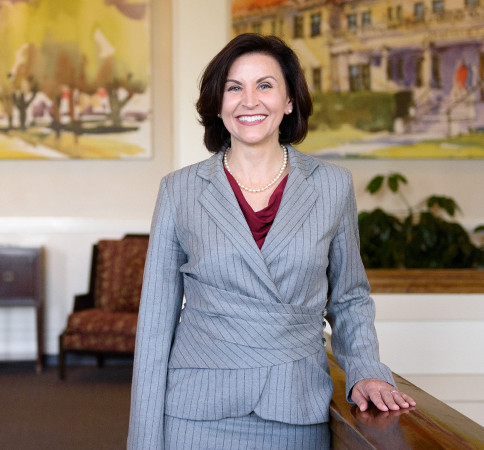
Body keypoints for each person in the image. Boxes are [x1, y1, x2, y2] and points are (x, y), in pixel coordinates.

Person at [127, 33, 415, 450]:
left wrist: (366, 369)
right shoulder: (180, 190)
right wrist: (144, 440)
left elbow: (350, 298)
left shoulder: (333, 186)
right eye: (234, 87)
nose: (249, 101)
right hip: (197, 410)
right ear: (218, 104)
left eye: (265, 85)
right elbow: (155, 325)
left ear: (289, 101)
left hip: (294, 406)